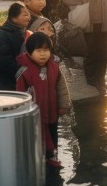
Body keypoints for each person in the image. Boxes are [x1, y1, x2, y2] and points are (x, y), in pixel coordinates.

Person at [16, 32, 71, 168]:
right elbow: (19, 95)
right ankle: (36, 159)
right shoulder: (24, 71)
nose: (43, 54)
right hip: (34, 113)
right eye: (38, 50)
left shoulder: (54, 67)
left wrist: (63, 105)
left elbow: (61, 88)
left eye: (46, 50)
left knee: (52, 133)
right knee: (36, 135)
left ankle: (52, 155)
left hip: (51, 110)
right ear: (29, 52)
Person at [0, 2, 31, 90]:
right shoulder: (0, 38)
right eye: (25, 15)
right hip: (8, 88)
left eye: (29, 14)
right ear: (14, 18)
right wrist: (27, 72)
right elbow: (4, 65)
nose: (29, 18)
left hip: (23, 85)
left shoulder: (24, 33)